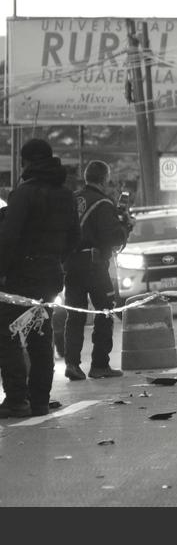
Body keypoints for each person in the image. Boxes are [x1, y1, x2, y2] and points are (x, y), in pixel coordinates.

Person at [0, 138, 81, 417]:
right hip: (50, 276)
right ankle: (39, 401)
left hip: (21, 276)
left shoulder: (24, 194)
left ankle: (16, 398)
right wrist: (55, 261)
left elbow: (9, 238)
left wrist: (2, 271)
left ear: (25, 162)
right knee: (40, 336)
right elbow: (75, 237)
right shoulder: (66, 195)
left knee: (6, 333)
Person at [63, 160, 132, 381]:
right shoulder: (103, 203)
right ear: (104, 178)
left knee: (75, 314)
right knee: (105, 311)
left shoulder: (71, 199)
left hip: (70, 263)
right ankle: (99, 365)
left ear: (86, 177)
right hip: (93, 265)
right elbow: (111, 237)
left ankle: (72, 364)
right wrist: (125, 226)